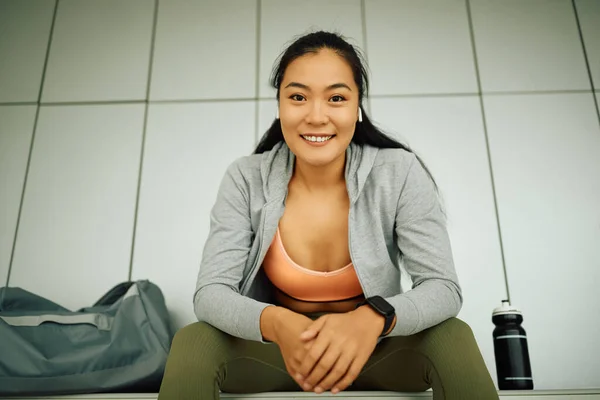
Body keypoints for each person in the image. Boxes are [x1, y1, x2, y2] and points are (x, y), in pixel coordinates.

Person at [157, 31, 499, 400]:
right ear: (279, 105)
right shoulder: (246, 177)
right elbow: (211, 293)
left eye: (336, 98)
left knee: (452, 333)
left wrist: (373, 318)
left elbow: (442, 288)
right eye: (298, 97)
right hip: (281, 353)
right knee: (194, 340)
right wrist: (279, 323)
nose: (316, 116)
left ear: (357, 107)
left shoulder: (398, 171)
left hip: (375, 351)